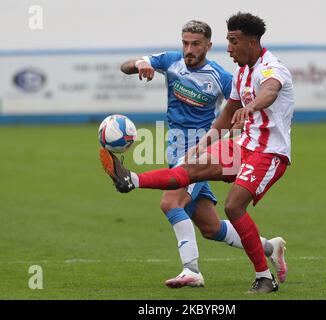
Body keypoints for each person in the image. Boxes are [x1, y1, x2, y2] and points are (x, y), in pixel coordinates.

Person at [104, 17, 290, 292]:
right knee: (210, 227)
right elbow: (126, 66)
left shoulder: (233, 74)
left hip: (256, 150)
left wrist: (249, 110)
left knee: (172, 202)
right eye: (185, 43)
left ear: (207, 46)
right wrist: (141, 64)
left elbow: (269, 91)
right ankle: (269, 247)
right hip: (196, 147)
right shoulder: (173, 62)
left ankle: (192, 271)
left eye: (195, 44)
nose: (189, 49)